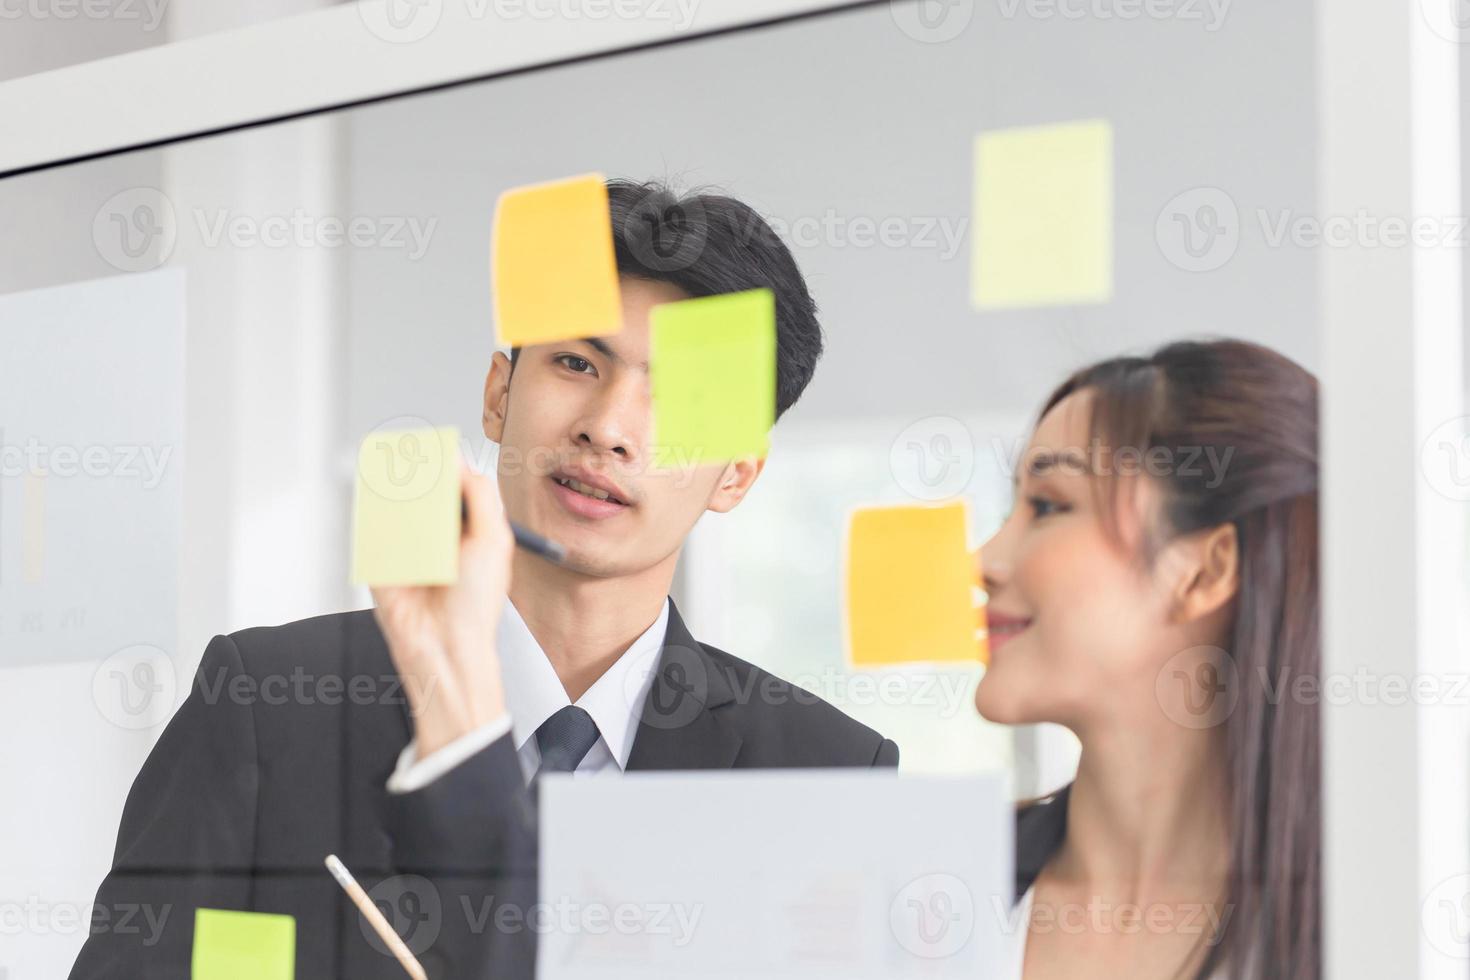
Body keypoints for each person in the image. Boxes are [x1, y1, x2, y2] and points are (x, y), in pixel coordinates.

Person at [70, 178, 898, 980]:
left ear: (736, 477)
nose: (607, 429)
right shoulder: (264, 704)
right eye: (577, 363)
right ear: (499, 393)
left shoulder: (824, 774)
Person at [986, 339, 1320, 979]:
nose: (984, 561)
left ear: (1202, 571)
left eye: (1049, 506)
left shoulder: (1385, 922)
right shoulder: (921, 889)